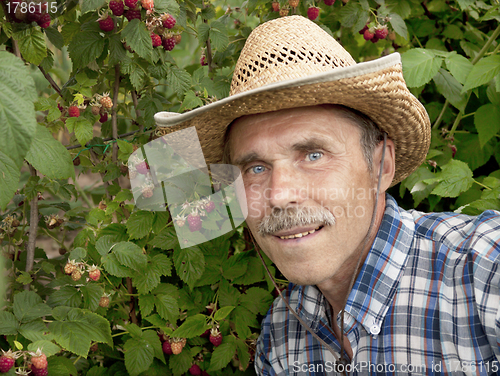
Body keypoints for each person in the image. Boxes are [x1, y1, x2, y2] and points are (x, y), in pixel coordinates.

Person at [154, 16, 500, 376]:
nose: (280, 194)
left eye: (313, 155)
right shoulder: (281, 337)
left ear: (382, 165)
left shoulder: (483, 273)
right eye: (255, 168)